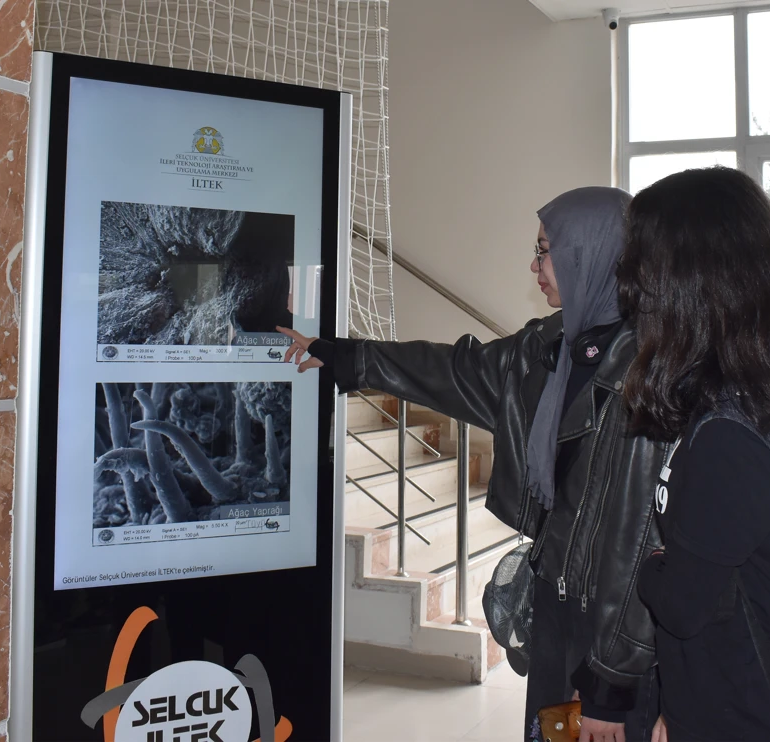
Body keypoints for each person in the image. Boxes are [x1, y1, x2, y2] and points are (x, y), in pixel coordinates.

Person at [279, 186, 665, 742]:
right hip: (557, 608)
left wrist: (610, 684)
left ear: (593, 254)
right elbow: (456, 370)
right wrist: (348, 356)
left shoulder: (651, 374)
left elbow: (638, 544)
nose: (533, 266)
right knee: (550, 733)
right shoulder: (547, 349)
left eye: (545, 250)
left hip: (611, 636)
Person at [619, 167, 770, 742]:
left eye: (643, 261)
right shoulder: (758, 397)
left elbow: (682, 602)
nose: (631, 280)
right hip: (754, 689)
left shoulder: (733, 431)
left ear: (687, 280)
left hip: (756, 708)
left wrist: (650, 564)